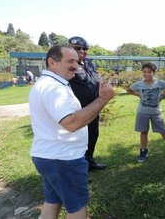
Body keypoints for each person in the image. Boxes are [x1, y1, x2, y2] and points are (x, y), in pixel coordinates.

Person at [29, 45, 115, 219]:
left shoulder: (49, 83)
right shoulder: (54, 88)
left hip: (50, 156)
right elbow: (71, 123)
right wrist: (103, 99)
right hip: (63, 160)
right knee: (77, 208)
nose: (76, 65)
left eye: (77, 60)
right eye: (70, 61)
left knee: (53, 200)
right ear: (51, 62)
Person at [127, 63, 165, 163]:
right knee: (144, 132)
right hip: (142, 112)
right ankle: (143, 151)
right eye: (144, 72)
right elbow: (129, 90)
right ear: (142, 72)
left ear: (153, 72)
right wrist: (138, 95)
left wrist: (161, 96)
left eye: (149, 72)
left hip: (156, 112)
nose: (147, 74)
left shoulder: (159, 83)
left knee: (164, 132)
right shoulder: (139, 84)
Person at [68, 36, 106, 171]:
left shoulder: (89, 63)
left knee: (93, 135)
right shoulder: (68, 66)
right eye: (78, 48)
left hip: (94, 107)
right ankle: (78, 169)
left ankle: (89, 161)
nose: (82, 51)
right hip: (78, 110)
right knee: (77, 139)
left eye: (85, 48)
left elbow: (96, 77)